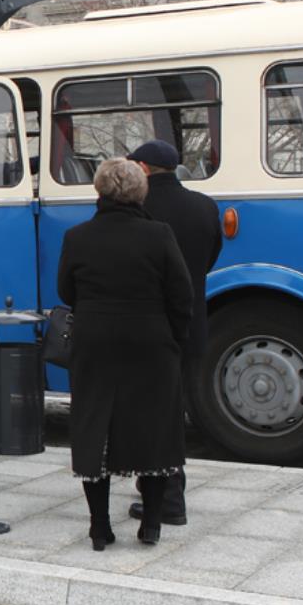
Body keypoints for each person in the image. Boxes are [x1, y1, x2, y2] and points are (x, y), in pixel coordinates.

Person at [56, 157, 192, 549]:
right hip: (151, 341)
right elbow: (181, 294)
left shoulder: (77, 237)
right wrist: (173, 339)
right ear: (140, 192)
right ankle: (151, 525)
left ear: (98, 190)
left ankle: (100, 528)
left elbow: (66, 290)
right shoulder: (159, 235)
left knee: (93, 425)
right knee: (154, 428)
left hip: (94, 341)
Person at [126, 139, 220, 528]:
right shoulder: (205, 206)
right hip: (189, 324)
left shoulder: (138, 209)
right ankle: (154, 485)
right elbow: (209, 258)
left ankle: (167, 499)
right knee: (171, 409)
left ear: (143, 169)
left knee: (151, 415)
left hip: (147, 327)